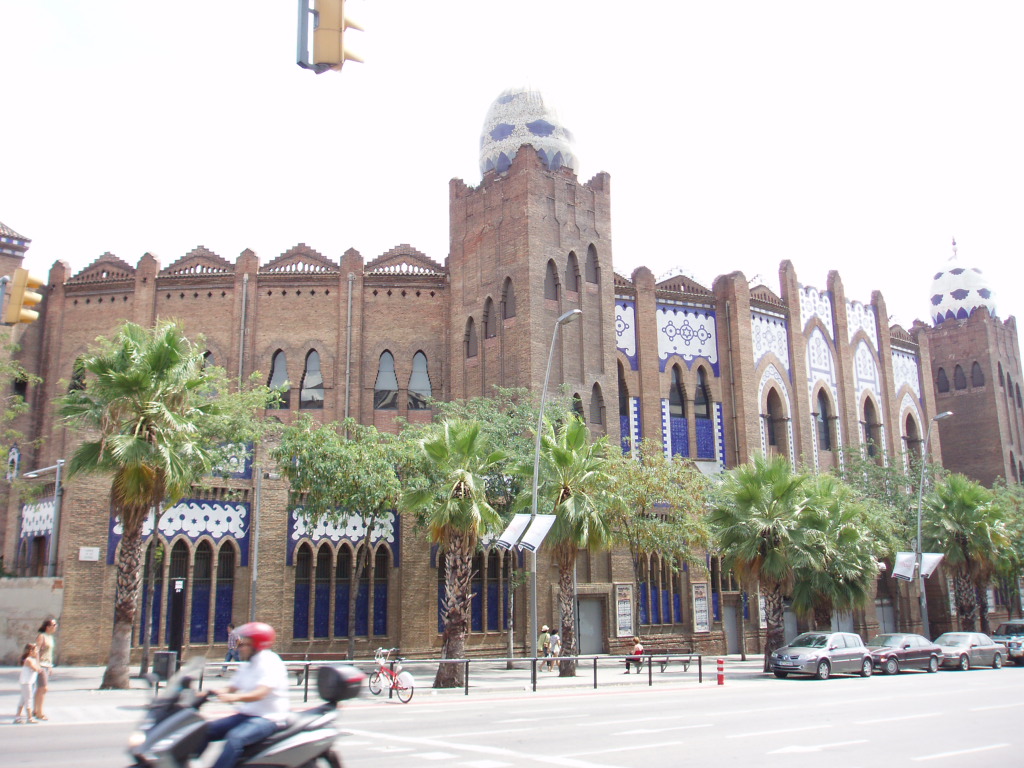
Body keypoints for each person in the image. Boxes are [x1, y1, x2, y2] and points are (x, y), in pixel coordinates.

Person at [201, 622, 290, 768]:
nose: (240, 648)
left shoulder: (270, 662)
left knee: (235, 738)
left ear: (257, 645)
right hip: (246, 715)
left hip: (268, 718)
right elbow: (231, 688)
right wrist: (205, 694)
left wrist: (234, 697)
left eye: (245, 644)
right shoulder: (247, 664)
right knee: (205, 730)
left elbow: (261, 693)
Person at [34, 618, 57, 720]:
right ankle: (39, 713)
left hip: (47, 665)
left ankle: (36, 710)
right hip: (41, 665)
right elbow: (36, 651)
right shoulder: (41, 636)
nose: (56, 627)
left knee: (40, 689)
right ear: (48, 627)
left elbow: (49, 653)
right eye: (54, 625)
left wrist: (50, 666)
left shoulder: (50, 637)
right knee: (43, 688)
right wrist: (37, 665)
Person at [14, 643, 42, 724]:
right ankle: (29, 718)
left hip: (28, 682)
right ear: (30, 651)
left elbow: (38, 668)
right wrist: (37, 658)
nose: (37, 652)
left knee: (22, 700)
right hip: (27, 683)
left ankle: (17, 717)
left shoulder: (31, 660)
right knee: (28, 699)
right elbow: (37, 669)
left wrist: (37, 659)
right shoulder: (29, 660)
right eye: (36, 650)